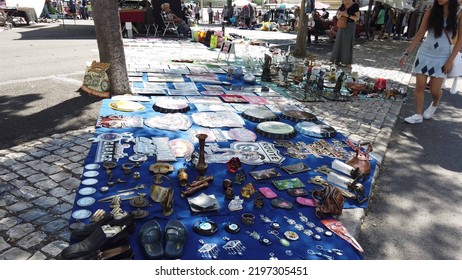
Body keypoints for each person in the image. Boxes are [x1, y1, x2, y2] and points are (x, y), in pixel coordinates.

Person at [399, 0, 462, 124]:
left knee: (434, 90)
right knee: (420, 86)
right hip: (425, 53)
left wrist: (450, 61)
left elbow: (460, 41)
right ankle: (418, 114)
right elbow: (420, 33)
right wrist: (406, 53)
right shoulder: (431, 11)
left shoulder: (459, 13)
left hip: (443, 56)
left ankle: (435, 102)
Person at [330, 0, 359, 67]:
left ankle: (347, 62)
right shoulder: (342, 5)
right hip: (341, 25)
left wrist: (347, 15)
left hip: (350, 26)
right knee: (338, 42)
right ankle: (336, 60)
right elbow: (337, 16)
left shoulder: (355, 5)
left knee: (347, 44)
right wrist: (340, 15)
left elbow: (357, 18)